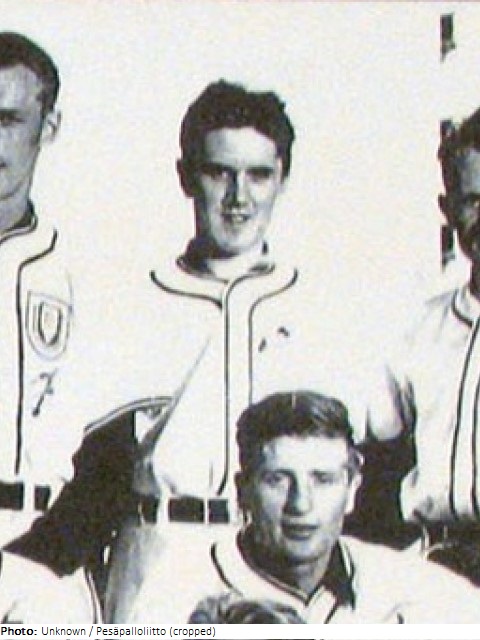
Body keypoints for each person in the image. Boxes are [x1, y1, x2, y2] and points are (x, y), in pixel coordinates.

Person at [7, 79, 309, 621]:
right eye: (219, 172)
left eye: (258, 175)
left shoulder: (317, 308)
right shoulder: (134, 303)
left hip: (274, 559)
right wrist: (25, 570)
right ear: (186, 176)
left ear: (282, 179)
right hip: (159, 557)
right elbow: (97, 481)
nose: (239, 197)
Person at [129, 391, 480, 623]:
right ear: (243, 491)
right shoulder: (176, 595)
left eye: (323, 480)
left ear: (352, 489)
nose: (301, 504)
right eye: (278, 480)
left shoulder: (416, 590)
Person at [367, 105, 480, 585]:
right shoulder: (418, 329)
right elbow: (378, 467)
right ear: (447, 209)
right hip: (434, 567)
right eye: (473, 200)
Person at [0, 31, 73, 547]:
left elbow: (112, 445)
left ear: (48, 127)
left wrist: (52, 554)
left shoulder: (81, 273)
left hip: (43, 536)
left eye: (7, 121)